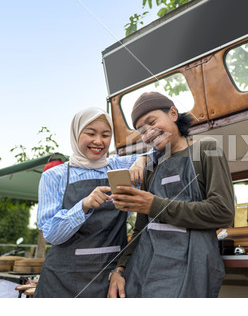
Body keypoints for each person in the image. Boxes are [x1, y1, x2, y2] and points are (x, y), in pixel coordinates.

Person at [107, 92, 234, 298]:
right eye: (141, 130)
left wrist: (154, 205)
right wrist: (120, 269)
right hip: (145, 268)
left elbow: (222, 212)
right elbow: (141, 227)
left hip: (192, 268)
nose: (148, 132)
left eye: (152, 122)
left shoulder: (206, 150)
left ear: (173, 113)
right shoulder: (150, 168)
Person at [34, 107, 147, 298]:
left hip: (110, 278)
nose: (98, 141)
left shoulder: (118, 165)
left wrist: (142, 160)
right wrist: (83, 206)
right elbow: (51, 235)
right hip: (62, 280)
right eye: (91, 133)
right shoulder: (54, 176)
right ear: (76, 133)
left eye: (105, 134)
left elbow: (161, 154)